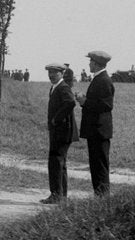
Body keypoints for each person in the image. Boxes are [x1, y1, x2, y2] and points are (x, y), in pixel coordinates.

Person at [76, 50, 115, 196]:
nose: (89, 64)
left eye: (90, 61)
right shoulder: (99, 79)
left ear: (96, 63)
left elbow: (106, 105)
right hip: (96, 130)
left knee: (100, 165)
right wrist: (85, 100)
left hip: (99, 131)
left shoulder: (103, 80)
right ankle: (99, 196)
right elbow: (99, 102)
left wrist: (85, 102)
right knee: (96, 164)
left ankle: (102, 197)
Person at [41, 63, 77, 204]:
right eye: (49, 73)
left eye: (54, 73)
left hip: (62, 131)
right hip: (58, 130)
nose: (51, 75)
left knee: (56, 162)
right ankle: (61, 195)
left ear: (62, 74)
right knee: (59, 162)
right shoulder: (55, 87)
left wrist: (56, 119)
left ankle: (56, 195)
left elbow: (70, 102)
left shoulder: (63, 87)